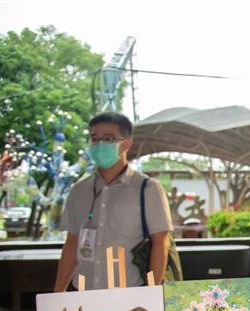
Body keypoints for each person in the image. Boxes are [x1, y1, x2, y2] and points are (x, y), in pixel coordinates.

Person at [54, 112, 174, 291]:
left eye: (109, 139)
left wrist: (152, 292)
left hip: (130, 292)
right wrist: (58, 292)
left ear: (127, 144)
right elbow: (72, 244)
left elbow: (161, 242)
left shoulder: (147, 189)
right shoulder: (79, 191)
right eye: (95, 139)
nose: (100, 144)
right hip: (83, 293)